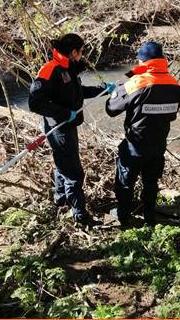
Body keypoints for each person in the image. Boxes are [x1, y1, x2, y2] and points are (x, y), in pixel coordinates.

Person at [29, 33, 115, 224]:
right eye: (81, 51)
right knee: (74, 174)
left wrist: (102, 89)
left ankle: (60, 200)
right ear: (73, 51)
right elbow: (35, 103)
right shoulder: (49, 71)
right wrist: (64, 114)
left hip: (68, 125)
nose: (82, 55)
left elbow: (77, 93)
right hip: (58, 128)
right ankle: (80, 216)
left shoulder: (67, 69)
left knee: (63, 164)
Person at [105, 42, 180, 226]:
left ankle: (123, 216)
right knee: (151, 183)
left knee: (125, 182)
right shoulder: (175, 85)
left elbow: (111, 109)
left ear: (142, 61)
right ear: (162, 60)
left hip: (135, 145)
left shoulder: (137, 83)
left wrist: (117, 92)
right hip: (158, 145)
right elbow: (171, 114)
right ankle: (150, 217)